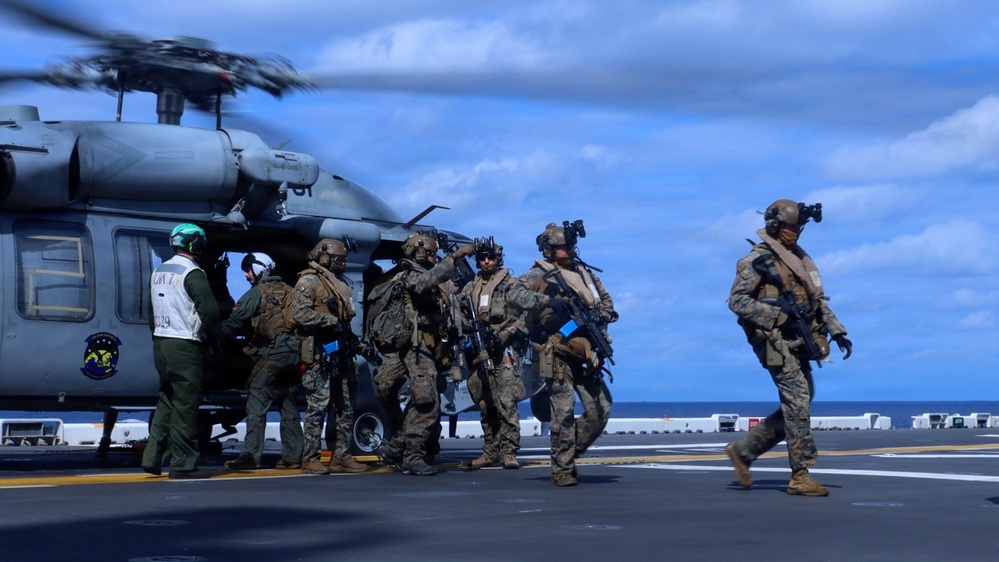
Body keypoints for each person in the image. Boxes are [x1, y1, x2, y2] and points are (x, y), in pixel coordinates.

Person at [725, 199, 853, 497]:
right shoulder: (757, 260)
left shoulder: (795, 259)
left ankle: (744, 452)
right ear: (775, 226)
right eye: (793, 227)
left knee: (804, 397)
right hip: (773, 340)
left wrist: (837, 330)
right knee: (797, 401)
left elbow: (815, 302)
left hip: (799, 335)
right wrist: (776, 316)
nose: (797, 232)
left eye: (800, 227)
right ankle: (800, 475)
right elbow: (737, 301)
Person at [508, 222, 618, 487]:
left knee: (601, 408)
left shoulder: (585, 274)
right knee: (563, 411)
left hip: (585, 350)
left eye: (570, 246)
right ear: (548, 250)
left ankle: (568, 452)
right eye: (562, 248)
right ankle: (562, 468)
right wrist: (548, 302)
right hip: (554, 350)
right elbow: (512, 293)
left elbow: (608, 304)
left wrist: (600, 316)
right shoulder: (539, 273)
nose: (568, 251)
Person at [373, 232, 474, 476]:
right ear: (417, 253)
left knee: (425, 399)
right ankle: (412, 458)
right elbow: (422, 284)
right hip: (417, 349)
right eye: (430, 253)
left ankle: (396, 447)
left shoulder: (437, 282)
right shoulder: (411, 276)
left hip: (432, 348)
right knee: (427, 402)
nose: (434, 257)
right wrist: (455, 257)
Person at [142, 223, 222, 480]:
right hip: (184, 344)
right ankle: (183, 464)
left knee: (166, 399)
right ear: (195, 244)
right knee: (186, 405)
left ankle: (152, 457)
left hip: (161, 343)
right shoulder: (193, 273)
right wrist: (214, 342)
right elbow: (209, 312)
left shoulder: (159, 271)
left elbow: (152, 313)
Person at [292, 238, 369, 475]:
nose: (344, 263)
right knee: (318, 406)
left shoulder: (338, 283)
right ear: (325, 258)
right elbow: (300, 314)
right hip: (319, 353)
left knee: (346, 405)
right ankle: (310, 458)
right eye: (339, 260)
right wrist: (329, 321)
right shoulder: (309, 281)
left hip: (340, 353)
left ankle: (342, 456)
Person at [221, 253, 304, 470]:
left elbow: (234, 322)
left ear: (260, 270)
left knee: (257, 401)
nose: (247, 275)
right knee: (288, 403)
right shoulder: (291, 291)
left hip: (273, 356)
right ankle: (293, 456)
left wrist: (210, 332)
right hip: (295, 357)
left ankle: (250, 456)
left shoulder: (256, 293)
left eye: (249, 270)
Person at [458, 237, 528, 469]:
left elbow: (525, 315)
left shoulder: (511, 284)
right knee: (485, 403)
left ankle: (509, 451)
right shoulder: (472, 286)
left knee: (506, 402)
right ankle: (490, 450)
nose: (486, 262)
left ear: (498, 259)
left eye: (491, 258)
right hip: (480, 350)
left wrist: (506, 334)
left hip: (504, 350)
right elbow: (458, 310)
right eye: (482, 258)